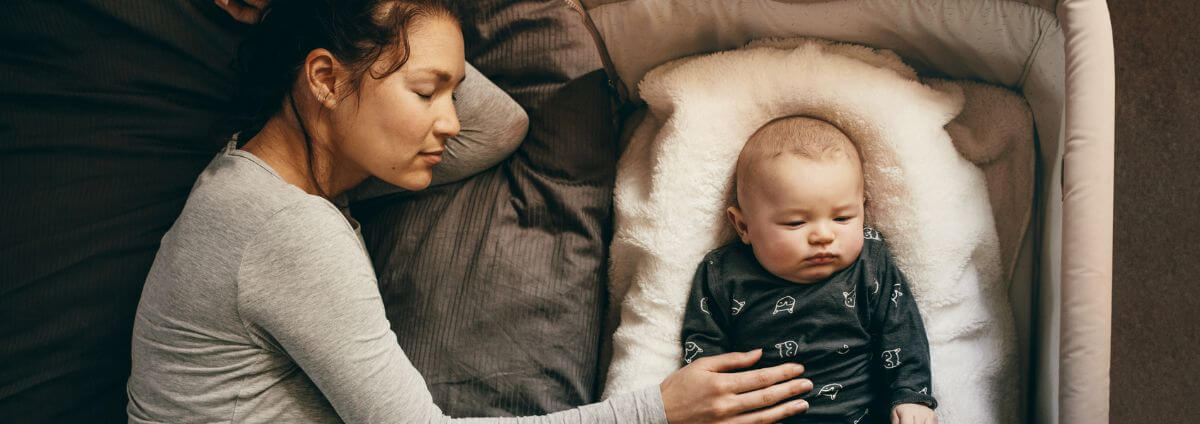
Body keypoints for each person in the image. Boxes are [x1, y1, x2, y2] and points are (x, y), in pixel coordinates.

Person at [126, 1, 813, 422]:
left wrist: (408, 43)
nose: (451, 120)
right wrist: (655, 410)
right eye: (428, 92)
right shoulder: (289, 230)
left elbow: (499, 126)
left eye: (451, 91)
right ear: (325, 78)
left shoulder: (260, 177)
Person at [680, 117, 939, 424]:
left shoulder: (870, 264)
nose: (823, 236)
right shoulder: (724, 275)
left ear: (863, 209)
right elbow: (703, 352)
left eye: (842, 218)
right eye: (795, 223)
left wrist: (912, 396)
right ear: (743, 225)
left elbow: (901, 331)